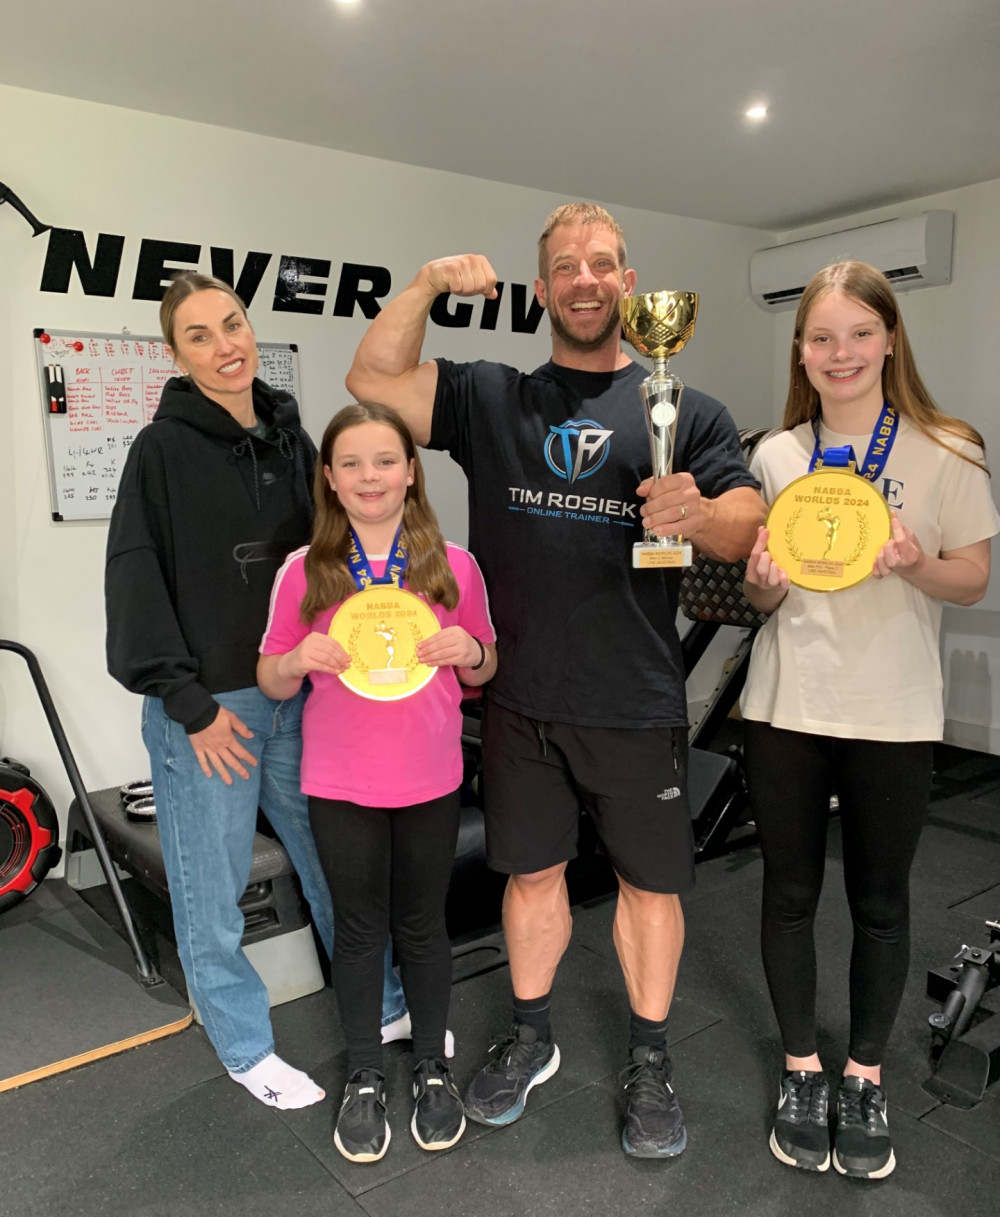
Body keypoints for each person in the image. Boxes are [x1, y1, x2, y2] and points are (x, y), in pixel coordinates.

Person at [345, 202, 765, 1157]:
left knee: (648, 890)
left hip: (634, 701)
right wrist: (422, 285)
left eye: (603, 264)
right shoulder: (493, 396)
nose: (586, 279)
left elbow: (749, 527)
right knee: (531, 875)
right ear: (544, 291)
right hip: (523, 700)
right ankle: (531, 1035)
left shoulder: (684, 408)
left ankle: (650, 1058)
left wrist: (696, 512)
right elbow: (370, 376)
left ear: (628, 283)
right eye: (567, 267)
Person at [105, 273, 408, 1108]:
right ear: (175, 354)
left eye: (231, 324)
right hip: (213, 709)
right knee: (214, 889)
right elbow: (135, 585)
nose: (224, 344)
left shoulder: (290, 438)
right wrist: (190, 707)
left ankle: (383, 1006)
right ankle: (244, 1046)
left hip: (301, 695)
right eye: (199, 335)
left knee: (337, 865)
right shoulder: (158, 453)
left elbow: (334, 549)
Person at [741, 260, 999, 1179]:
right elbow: (763, 598)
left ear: (890, 339)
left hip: (892, 710)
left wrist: (917, 563)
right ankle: (803, 1068)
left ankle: (865, 1073)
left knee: (882, 903)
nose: (840, 352)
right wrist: (761, 586)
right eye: (821, 338)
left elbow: (972, 576)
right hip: (788, 707)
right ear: (802, 355)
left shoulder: (948, 448)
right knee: (789, 894)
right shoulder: (776, 455)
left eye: (858, 333)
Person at [257, 402, 496, 1162]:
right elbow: (268, 676)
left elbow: (487, 665)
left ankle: (431, 1065)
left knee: (424, 926)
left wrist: (471, 650)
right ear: (329, 477)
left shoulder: (452, 564)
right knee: (358, 930)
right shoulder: (306, 571)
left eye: (385, 460)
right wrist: (295, 662)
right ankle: (364, 1071)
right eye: (352, 463)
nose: (370, 476)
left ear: (410, 470)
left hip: (429, 778)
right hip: (340, 783)